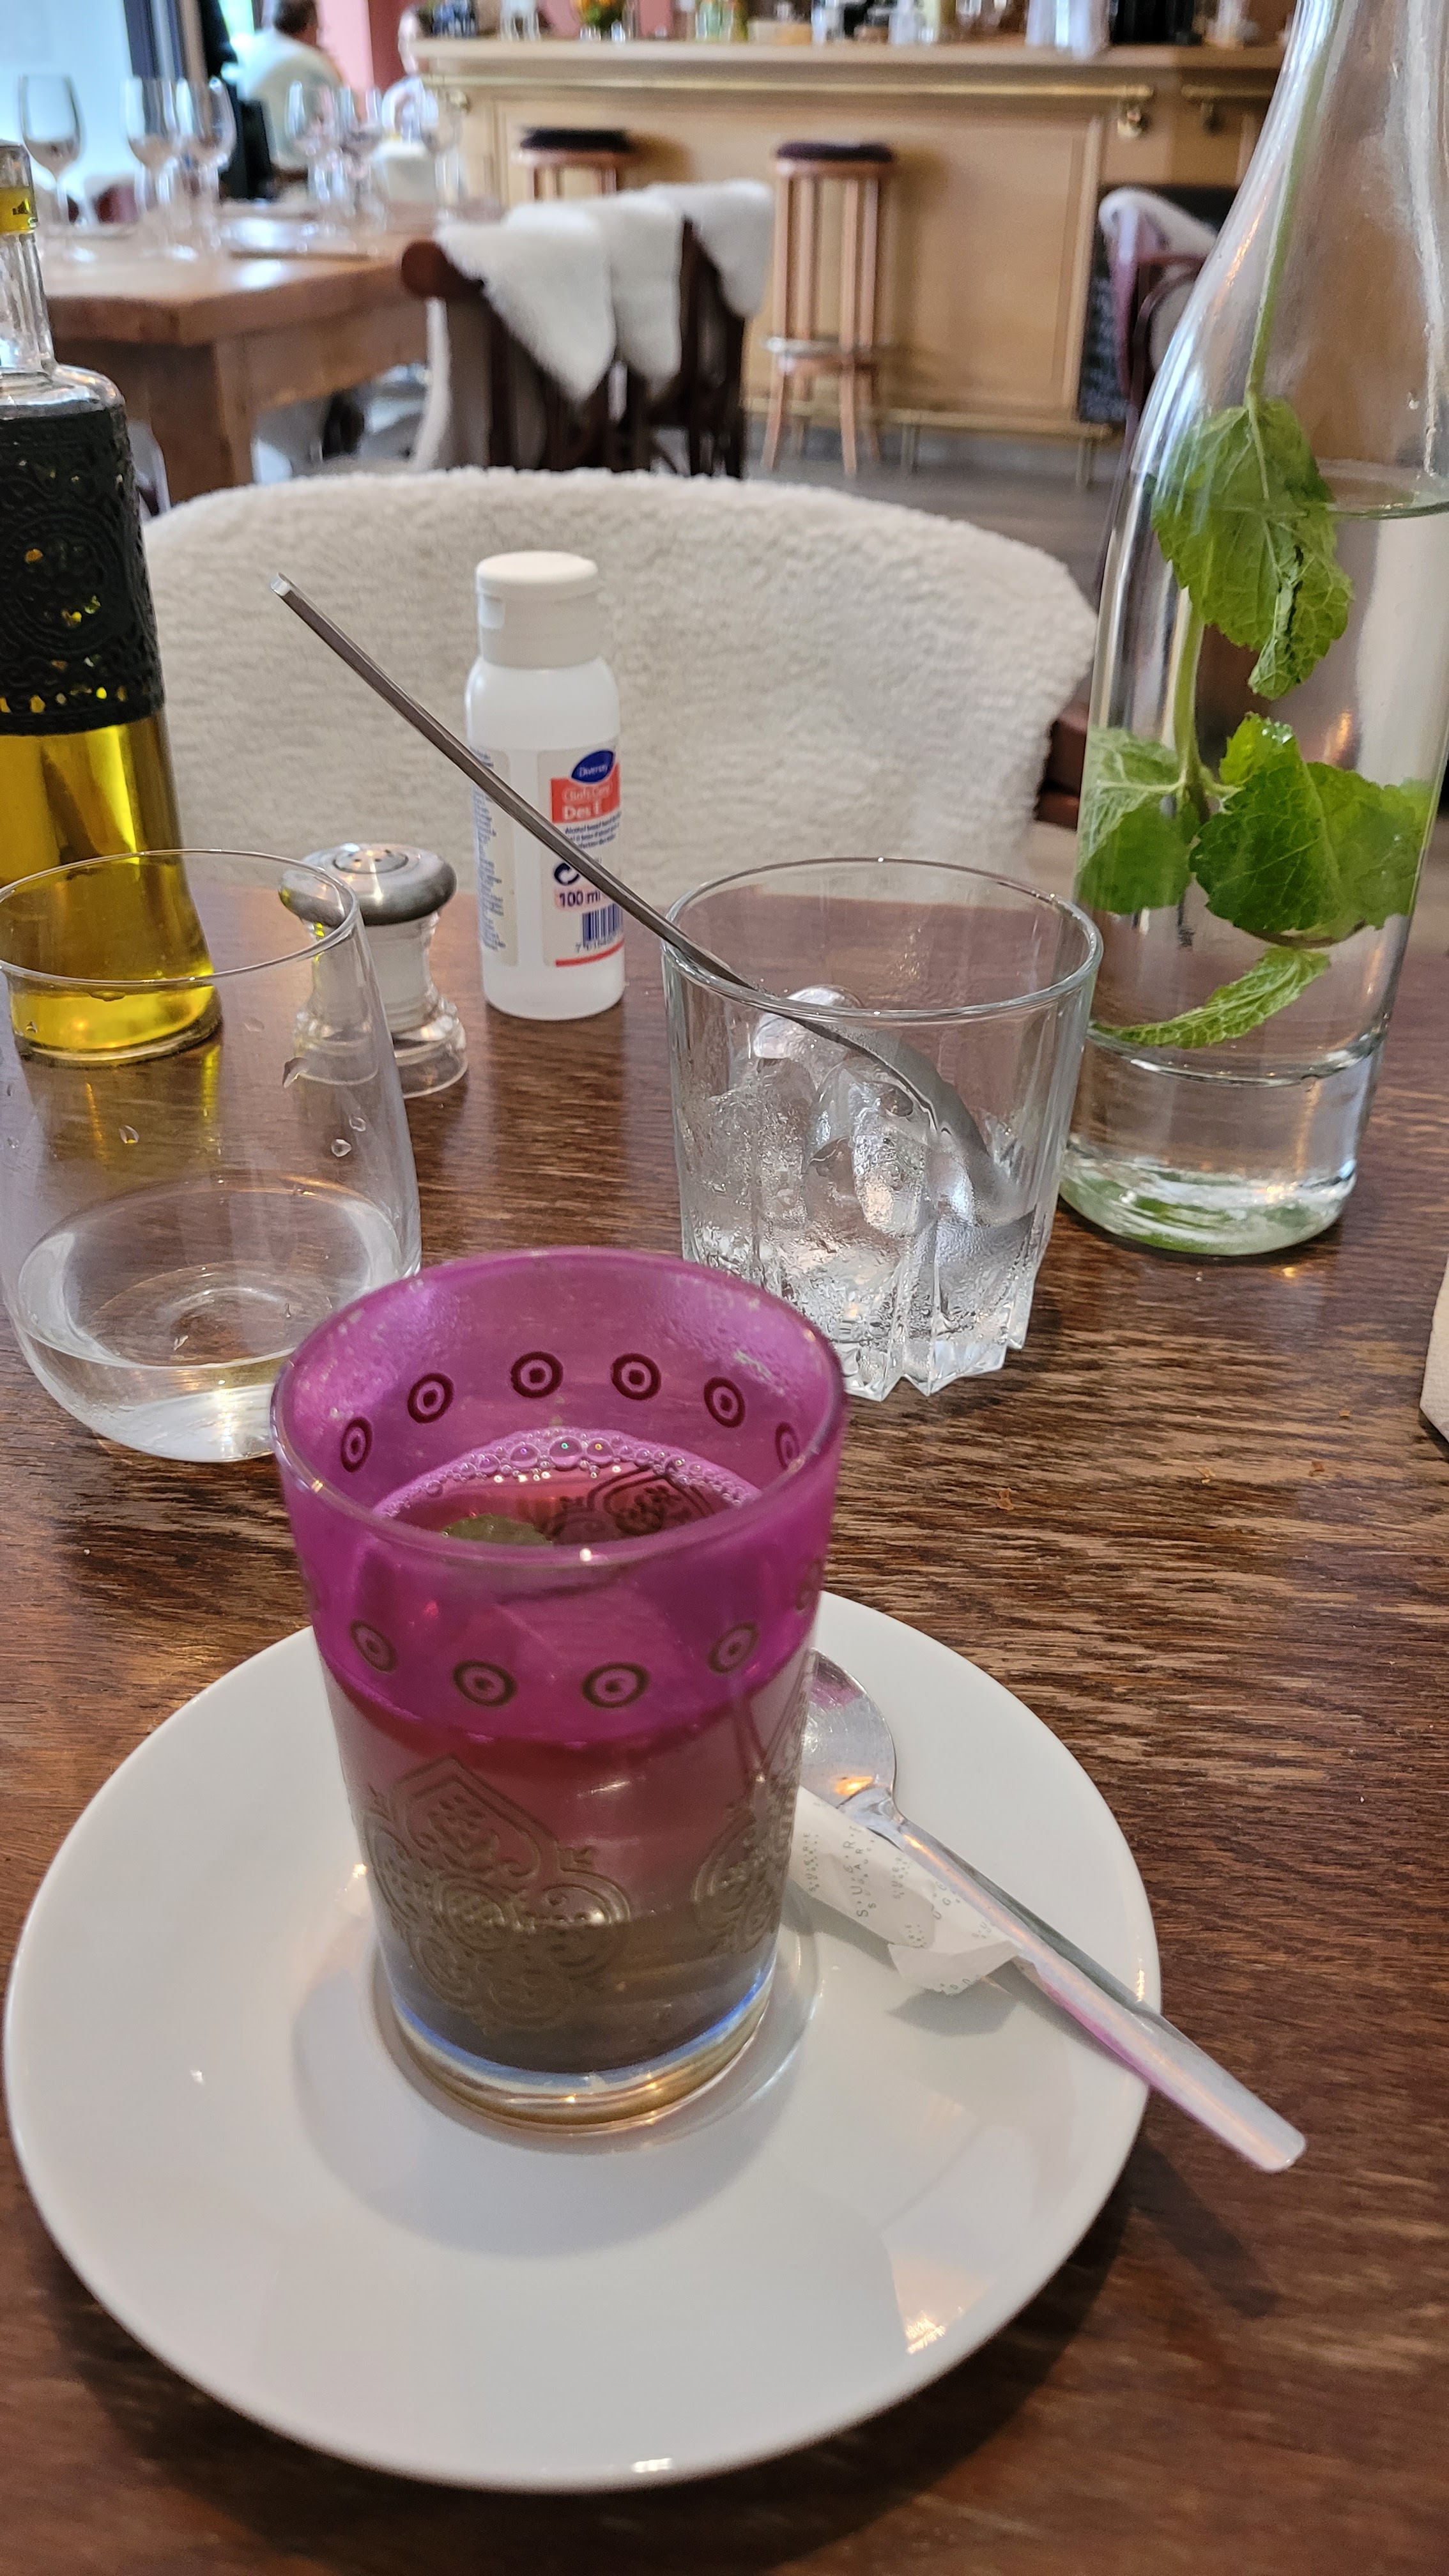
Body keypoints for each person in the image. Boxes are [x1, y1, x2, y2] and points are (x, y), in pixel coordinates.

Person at [237, 0, 346, 177]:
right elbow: (346, 125)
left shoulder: (248, 52)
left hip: (253, 175)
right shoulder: (315, 64)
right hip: (299, 174)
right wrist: (331, 69)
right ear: (310, 24)